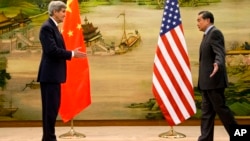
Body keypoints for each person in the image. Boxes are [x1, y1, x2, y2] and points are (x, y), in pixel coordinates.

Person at [37, 1, 86, 141]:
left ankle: (48, 138)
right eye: (63, 11)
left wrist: (71, 53)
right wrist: (71, 54)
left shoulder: (53, 27)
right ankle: (49, 138)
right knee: (50, 110)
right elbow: (51, 50)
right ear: (55, 12)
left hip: (53, 75)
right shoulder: (47, 28)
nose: (65, 14)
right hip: (49, 75)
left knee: (52, 109)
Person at [196, 11, 237, 141]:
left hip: (214, 81)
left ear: (207, 20)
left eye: (199, 20)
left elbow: (220, 53)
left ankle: (240, 135)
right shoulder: (206, 35)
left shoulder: (215, 33)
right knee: (207, 113)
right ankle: (205, 139)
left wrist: (218, 64)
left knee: (222, 111)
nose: (197, 23)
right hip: (206, 83)